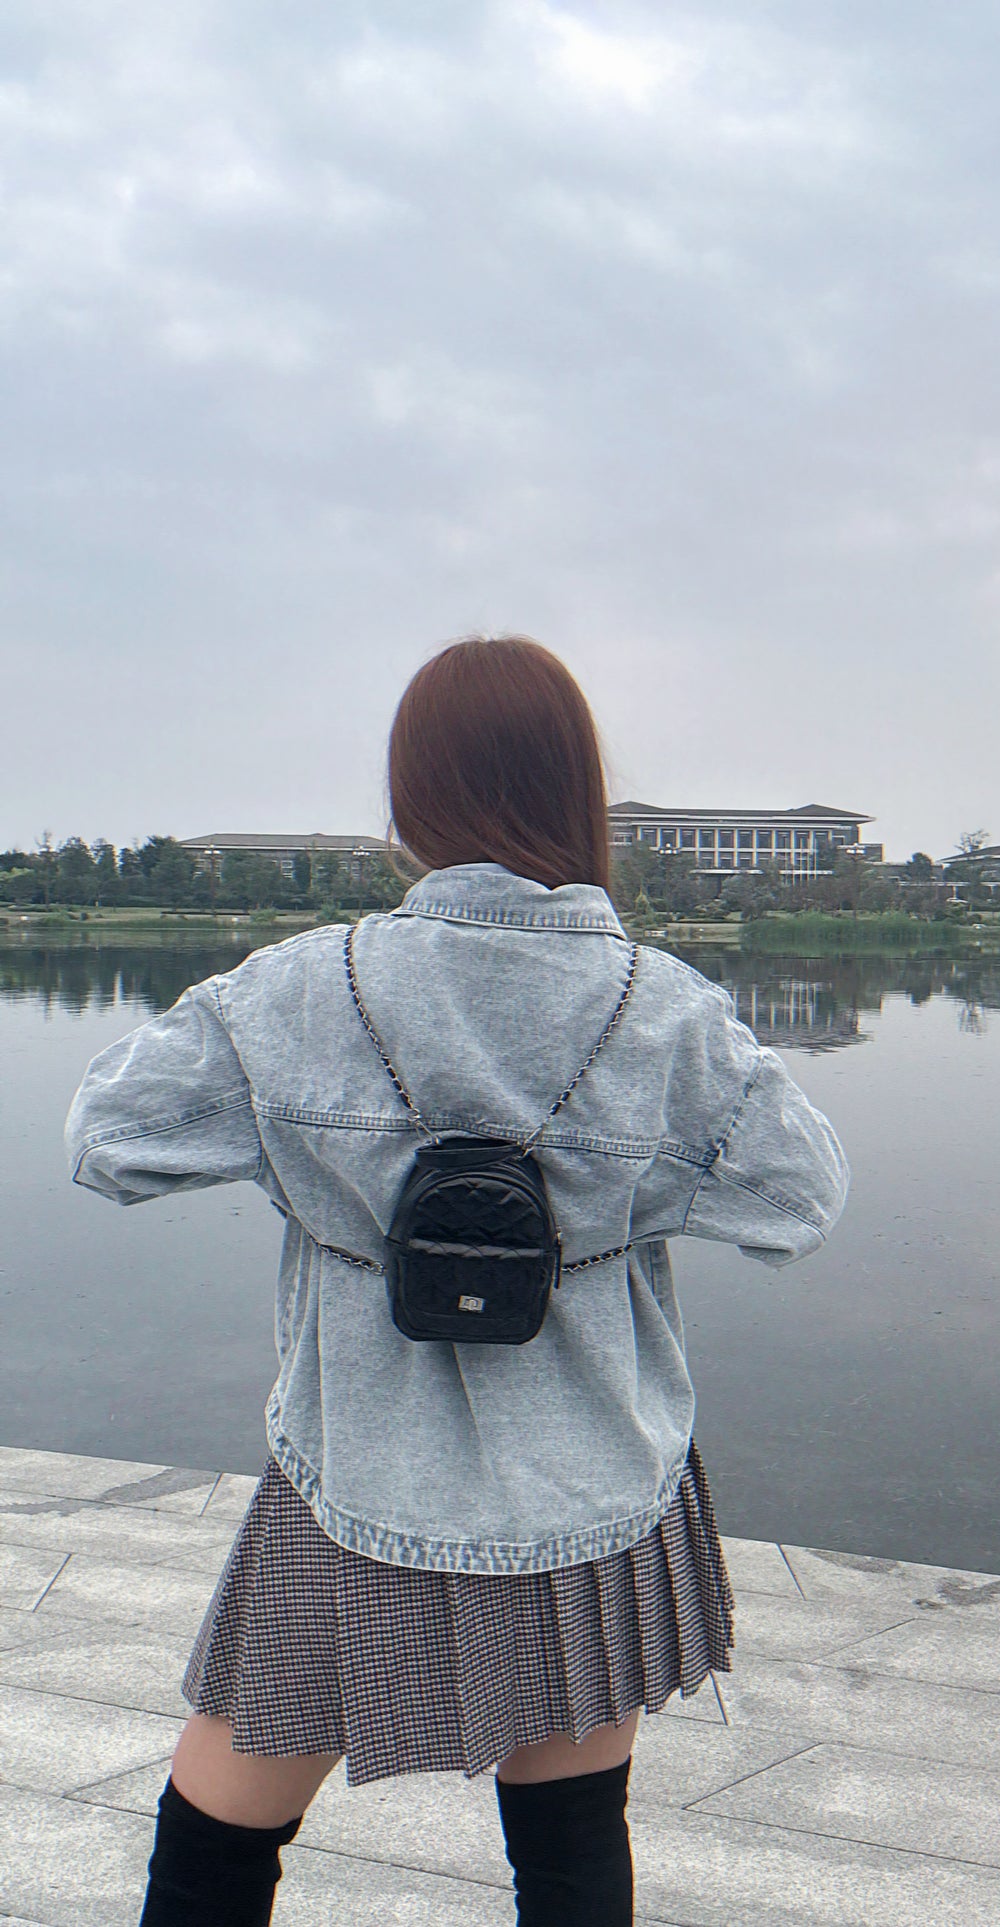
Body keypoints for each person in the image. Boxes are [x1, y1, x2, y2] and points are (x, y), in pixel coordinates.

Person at [64, 635, 849, 1927]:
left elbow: (108, 1139)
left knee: (213, 1849)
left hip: (353, 1487)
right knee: (573, 1858)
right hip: (592, 1495)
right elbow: (798, 1199)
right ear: (575, 793)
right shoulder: (667, 1012)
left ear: (410, 799)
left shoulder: (307, 991)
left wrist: (309, 1166)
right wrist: (617, 1203)